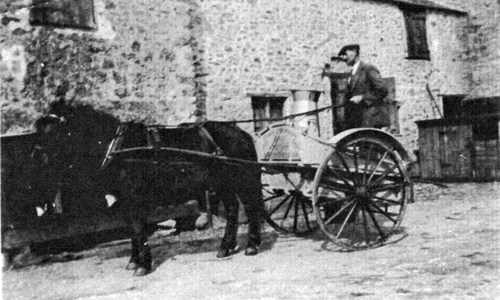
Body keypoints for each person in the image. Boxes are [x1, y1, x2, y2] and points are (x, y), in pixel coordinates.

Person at [334, 44, 390, 129]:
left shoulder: (368, 69)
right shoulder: (351, 72)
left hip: (371, 119)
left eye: (346, 54)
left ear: (355, 52)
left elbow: (383, 90)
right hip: (357, 120)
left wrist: (362, 97)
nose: (344, 58)